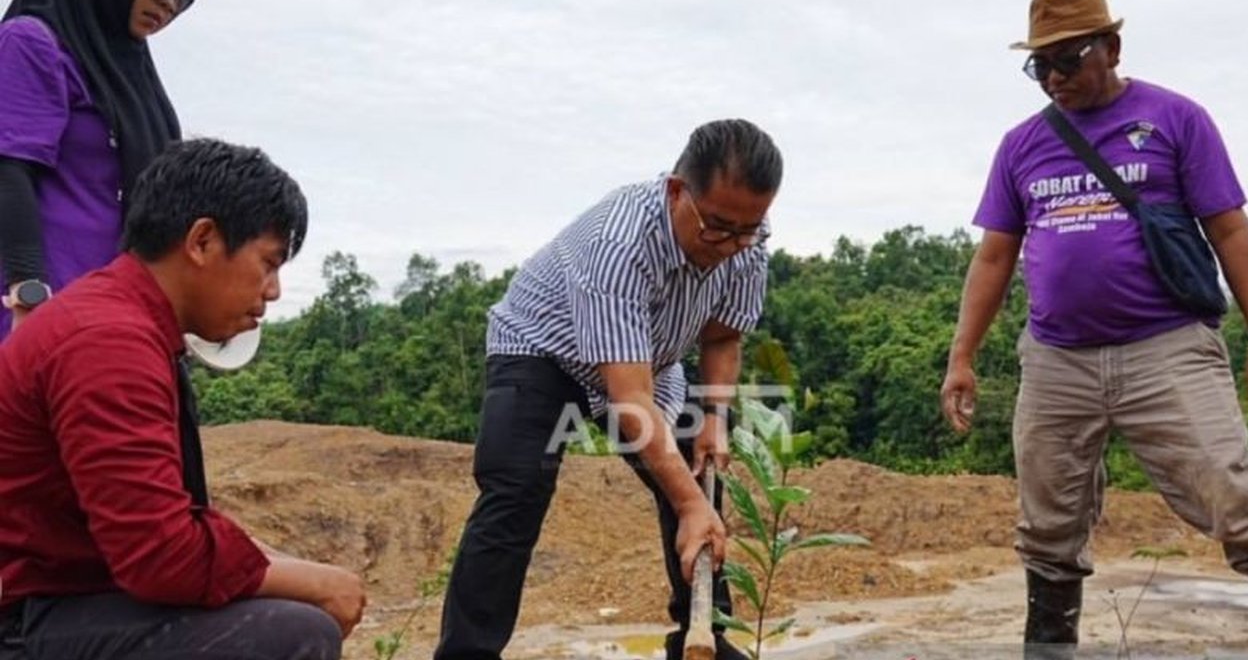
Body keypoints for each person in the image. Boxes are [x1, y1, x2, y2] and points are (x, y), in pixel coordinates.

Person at [940, 0, 1248, 658]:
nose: (1055, 78)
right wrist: (962, 357)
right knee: (1047, 520)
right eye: (1041, 66)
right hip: (1058, 358)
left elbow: (1231, 231)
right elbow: (994, 256)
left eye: (1069, 59)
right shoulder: (1022, 145)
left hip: (1168, 346)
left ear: (1113, 48)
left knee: (1236, 495)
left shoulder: (1176, 119)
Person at [0, 139, 367, 660]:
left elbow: (165, 522)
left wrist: (283, 569)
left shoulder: (121, 321)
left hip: (74, 595)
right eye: (268, 263)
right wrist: (314, 583)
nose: (273, 291)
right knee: (293, 634)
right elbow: (159, 556)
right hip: (31, 619)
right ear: (202, 241)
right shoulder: (108, 342)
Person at [433, 119, 782, 660]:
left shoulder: (745, 246)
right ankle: (467, 655)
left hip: (650, 362)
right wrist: (690, 504)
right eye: (717, 227)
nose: (731, 246)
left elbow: (721, 335)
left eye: (748, 229)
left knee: (696, 469)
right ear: (676, 192)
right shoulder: (618, 243)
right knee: (516, 490)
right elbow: (631, 401)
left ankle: (702, 639)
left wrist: (713, 418)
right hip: (541, 350)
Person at [0, 0, 207, 340]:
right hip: (39, 312)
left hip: (113, 312)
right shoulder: (31, 43)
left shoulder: (132, 79)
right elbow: (8, 171)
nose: (168, 3)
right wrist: (28, 295)